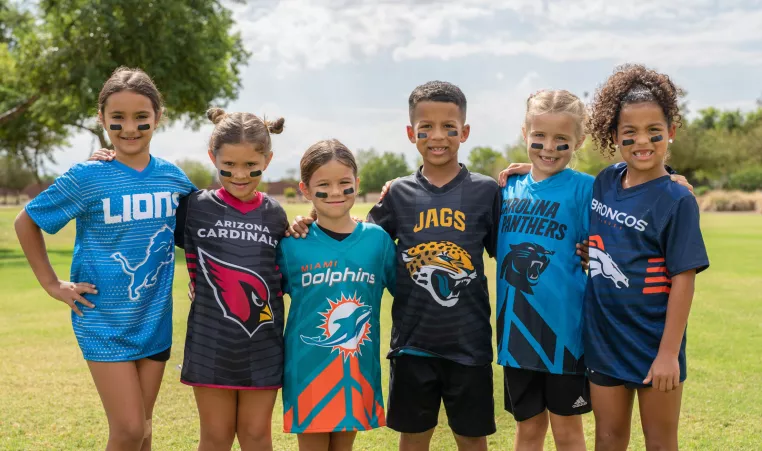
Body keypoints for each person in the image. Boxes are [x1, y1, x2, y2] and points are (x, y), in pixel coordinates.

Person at [14, 67, 195, 451]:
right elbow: (26, 221)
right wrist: (52, 284)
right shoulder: (88, 177)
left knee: (143, 431)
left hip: (155, 319)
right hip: (103, 321)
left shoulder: (173, 178)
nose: (130, 128)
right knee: (129, 430)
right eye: (118, 120)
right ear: (102, 120)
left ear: (157, 118)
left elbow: (202, 230)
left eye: (141, 119)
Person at [584, 64, 709, 451]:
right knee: (608, 438)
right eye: (630, 133)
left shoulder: (677, 199)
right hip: (603, 340)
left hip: (654, 343)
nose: (643, 142)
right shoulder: (605, 181)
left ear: (670, 131)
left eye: (654, 132)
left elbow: (684, 280)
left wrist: (669, 354)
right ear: (613, 136)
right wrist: (530, 170)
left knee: (659, 441)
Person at [175, 108, 287, 451]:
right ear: (212, 157)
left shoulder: (275, 215)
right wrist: (107, 160)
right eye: (229, 166)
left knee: (256, 435)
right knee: (216, 436)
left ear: (267, 160)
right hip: (211, 345)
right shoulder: (194, 206)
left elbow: (282, 277)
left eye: (250, 165)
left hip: (263, 346)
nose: (240, 175)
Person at [278, 139, 396, 451]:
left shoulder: (378, 241)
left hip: (358, 369)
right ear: (305, 189)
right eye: (323, 185)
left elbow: (407, 296)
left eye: (344, 183)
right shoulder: (291, 244)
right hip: (308, 371)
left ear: (357, 183)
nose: (335, 192)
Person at [495, 90, 593, 451]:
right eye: (539, 137)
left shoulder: (586, 189)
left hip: (566, 336)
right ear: (525, 133)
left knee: (568, 433)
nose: (548, 148)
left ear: (579, 141)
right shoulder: (505, 189)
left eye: (561, 140)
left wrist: (674, 179)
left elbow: (635, 189)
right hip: (515, 336)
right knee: (528, 431)